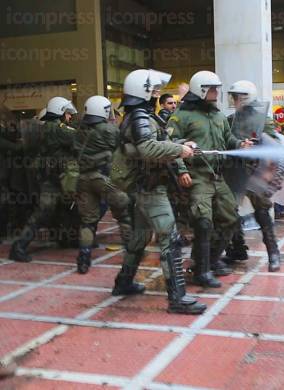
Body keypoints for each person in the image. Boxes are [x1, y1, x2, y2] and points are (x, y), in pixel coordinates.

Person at [111, 68, 206, 315]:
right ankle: (178, 298)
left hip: (145, 187)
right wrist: (179, 150)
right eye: (153, 90)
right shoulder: (140, 118)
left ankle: (123, 282)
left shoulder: (137, 116)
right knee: (170, 239)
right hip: (150, 189)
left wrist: (179, 146)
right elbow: (148, 149)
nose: (156, 94)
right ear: (142, 91)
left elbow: (152, 144)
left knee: (140, 238)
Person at [167, 70, 252, 288]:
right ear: (201, 90)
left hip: (217, 175)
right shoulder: (181, 116)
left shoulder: (218, 115)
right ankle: (201, 272)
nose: (216, 93)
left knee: (230, 218)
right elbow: (170, 144)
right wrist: (181, 170)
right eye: (212, 89)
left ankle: (210, 261)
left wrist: (240, 144)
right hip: (196, 176)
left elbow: (227, 138)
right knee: (203, 222)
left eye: (217, 89)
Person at [9, 97, 78, 262]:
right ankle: (19, 246)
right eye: (67, 114)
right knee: (43, 212)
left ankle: (66, 239)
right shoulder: (56, 128)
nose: (69, 117)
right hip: (54, 180)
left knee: (64, 209)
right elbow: (80, 138)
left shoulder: (45, 127)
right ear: (60, 112)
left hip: (52, 177)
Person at [222, 80, 281, 272]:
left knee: (262, 213)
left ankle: (273, 253)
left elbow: (271, 144)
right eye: (234, 97)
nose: (235, 100)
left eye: (238, 97)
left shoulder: (264, 120)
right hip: (235, 171)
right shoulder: (230, 119)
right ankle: (237, 249)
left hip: (256, 172)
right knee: (230, 212)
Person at [74, 96, 132, 274]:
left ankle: (84, 259)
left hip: (83, 179)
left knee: (88, 222)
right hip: (104, 178)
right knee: (123, 214)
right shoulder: (109, 129)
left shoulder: (78, 131)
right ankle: (133, 252)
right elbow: (123, 148)